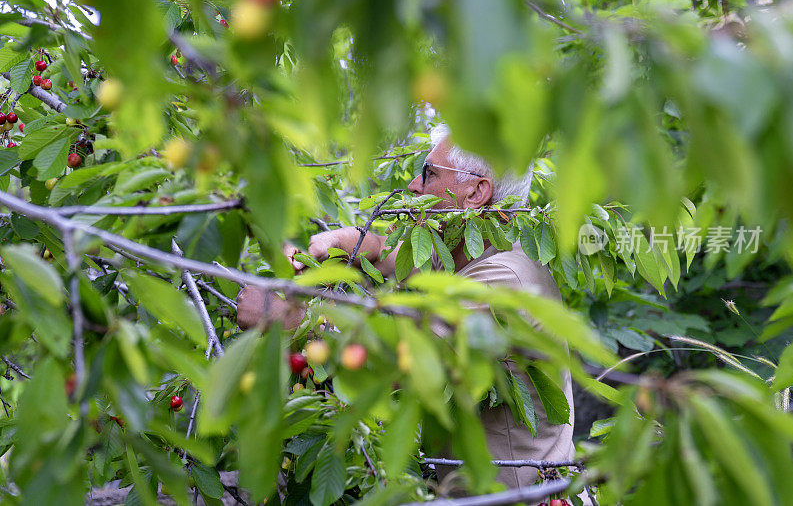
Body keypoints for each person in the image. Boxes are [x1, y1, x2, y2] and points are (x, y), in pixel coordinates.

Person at [237, 124, 577, 493]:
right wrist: (341, 242)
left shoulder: (504, 282)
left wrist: (292, 320)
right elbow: (398, 256)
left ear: (476, 192)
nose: (415, 185)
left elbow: (396, 367)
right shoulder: (470, 248)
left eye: (429, 174)